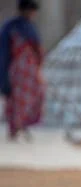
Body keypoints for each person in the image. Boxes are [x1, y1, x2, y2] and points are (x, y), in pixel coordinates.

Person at [0, 0, 44, 142]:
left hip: (31, 71)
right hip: (17, 70)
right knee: (17, 99)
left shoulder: (31, 27)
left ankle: (23, 125)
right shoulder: (11, 27)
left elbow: (37, 49)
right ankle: (15, 128)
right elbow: (4, 51)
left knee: (36, 95)